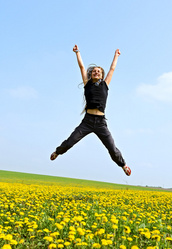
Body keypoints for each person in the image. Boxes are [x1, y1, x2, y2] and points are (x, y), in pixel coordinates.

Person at [50, 45, 131, 176]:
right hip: (87, 121)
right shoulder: (87, 84)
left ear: (101, 75)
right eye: (94, 71)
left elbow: (112, 69)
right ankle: (57, 152)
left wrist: (116, 55)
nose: (96, 72)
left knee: (112, 148)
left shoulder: (105, 84)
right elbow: (82, 67)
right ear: (91, 74)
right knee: (71, 141)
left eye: (99, 71)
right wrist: (77, 52)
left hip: (100, 123)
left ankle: (123, 165)